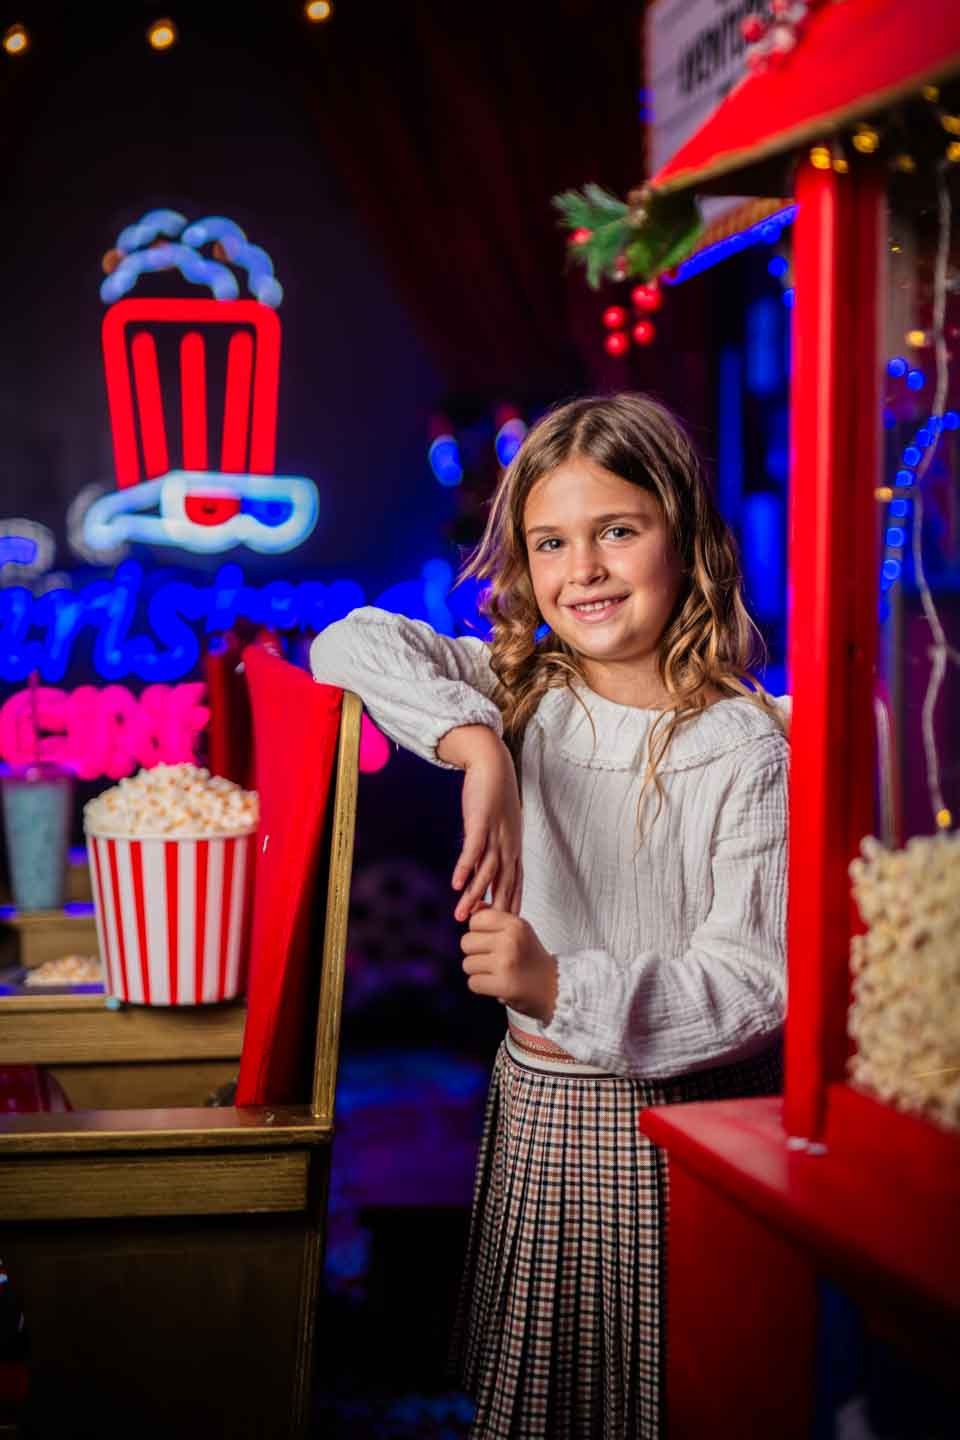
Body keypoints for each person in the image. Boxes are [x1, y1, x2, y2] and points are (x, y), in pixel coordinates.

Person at [310, 393, 789, 1440]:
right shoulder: (525, 694)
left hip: (682, 1132)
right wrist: (474, 746)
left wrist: (560, 985)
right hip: (540, 1110)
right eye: (552, 543)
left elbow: (759, 984)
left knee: (677, 1399)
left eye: (619, 530)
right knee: (544, 1404)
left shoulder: (751, 747)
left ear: (689, 540)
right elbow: (349, 640)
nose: (587, 570)